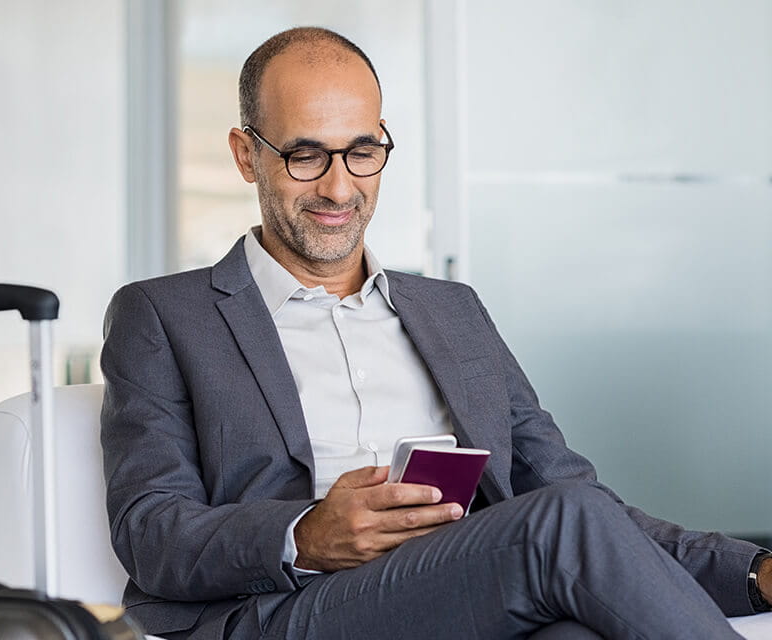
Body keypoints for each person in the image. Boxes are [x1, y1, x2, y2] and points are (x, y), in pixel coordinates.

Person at [99, 26, 771, 639]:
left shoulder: (452, 311)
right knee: (559, 524)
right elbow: (151, 532)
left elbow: (581, 503)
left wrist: (755, 573)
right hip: (294, 613)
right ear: (248, 155)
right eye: (306, 156)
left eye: (362, 152)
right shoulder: (163, 316)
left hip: (466, 599)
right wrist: (306, 535)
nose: (339, 189)